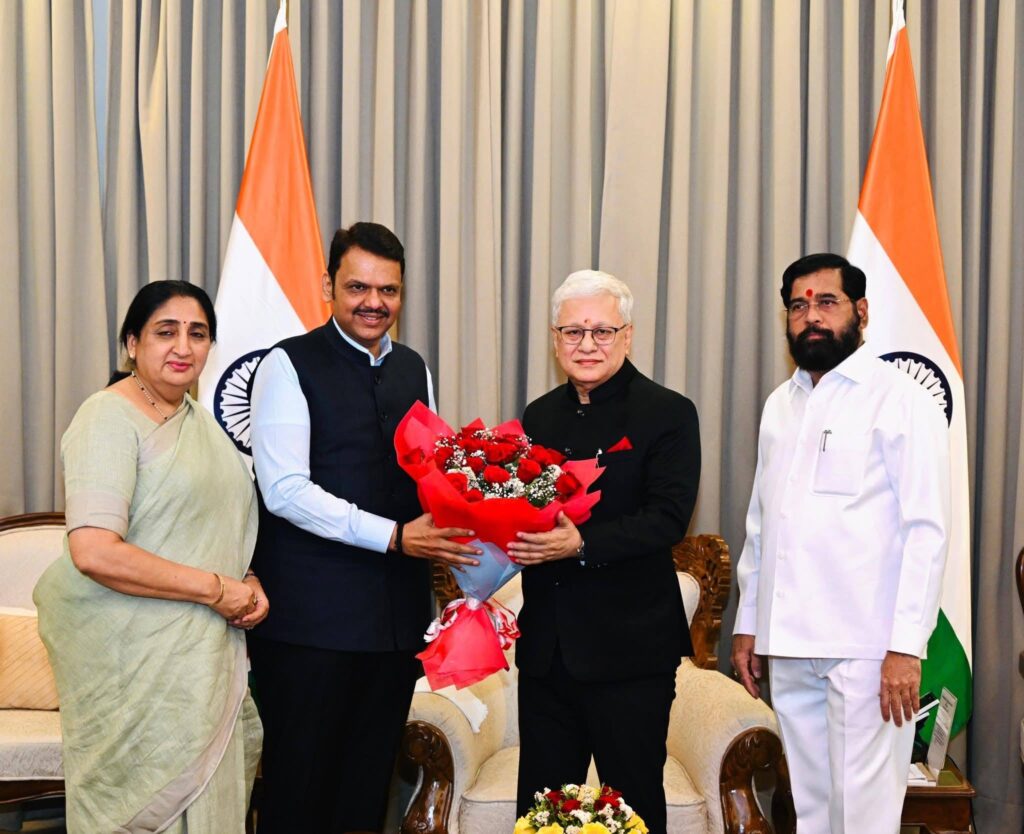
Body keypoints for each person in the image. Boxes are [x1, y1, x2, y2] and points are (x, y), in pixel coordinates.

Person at [247, 221, 480, 833]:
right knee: (298, 792)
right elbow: (284, 491)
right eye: (358, 287)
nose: (374, 303)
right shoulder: (286, 364)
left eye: (389, 290)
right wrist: (396, 537)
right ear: (329, 286)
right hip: (308, 625)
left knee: (367, 791)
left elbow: (431, 470)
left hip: (396, 625)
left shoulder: (415, 368)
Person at [33, 281, 266, 834]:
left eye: (198, 333)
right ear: (132, 343)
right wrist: (216, 589)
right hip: (132, 667)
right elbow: (93, 550)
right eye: (165, 331)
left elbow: (219, 533)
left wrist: (247, 579)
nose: (183, 346)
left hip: (203, 660)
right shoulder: (107, 417)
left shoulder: (203, 428)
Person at [731, 253, 951, 834]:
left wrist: (906, 646)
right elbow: (762, 524)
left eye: (826, 302)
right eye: (798, 306)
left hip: (869, 649)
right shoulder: (780, 405)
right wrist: (750, 624)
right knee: (813, 809)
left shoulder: (899, 398)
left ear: (861, 311)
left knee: (864, 817)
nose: (811, 318)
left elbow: (925, 529)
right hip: (791, 644)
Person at [507, 269, 701, 834]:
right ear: (554, 338)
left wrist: (581, 544)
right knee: (542, 816)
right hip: (548, 655)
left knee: (634, 810)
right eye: (572, 332)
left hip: (631, 655)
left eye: (601, 331)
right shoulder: (537, 416)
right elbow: (524, 512)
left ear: (628, 336)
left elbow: (667, 517)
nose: (586, 345)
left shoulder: (668, 413)